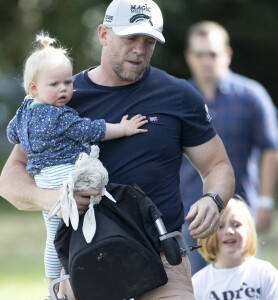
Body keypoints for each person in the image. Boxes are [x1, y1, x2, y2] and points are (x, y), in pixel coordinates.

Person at [0, 1, 235, 299]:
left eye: (149, 42)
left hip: (163, 259)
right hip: (85, 260)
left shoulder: (178, 95)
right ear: (103, 34)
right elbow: (9, 179)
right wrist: (55, 199)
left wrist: (213, 200)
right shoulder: (61, 96)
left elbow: (218, 166)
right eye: (130, 38)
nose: (139, 50)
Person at [6, 32, 148, 298]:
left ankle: (54, 281)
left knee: (55, 232)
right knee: (83, 219)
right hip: (63, 176)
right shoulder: (57, 117)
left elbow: (12, 134)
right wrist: (124, 128)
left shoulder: (25, 111)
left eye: (67, 82)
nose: (63, 89)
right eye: (55, 84)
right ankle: (63, 280)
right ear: (34, 88)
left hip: (43, 178)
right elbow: (92, 129)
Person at [180, 21, 278, 274]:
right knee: (193, 290)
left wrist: (266, 202)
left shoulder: (252, 95)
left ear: (226, 54)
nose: (206, 60)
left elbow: (272, 149)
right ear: (188, 56)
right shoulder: (178, 98)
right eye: (199, 54)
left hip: (239, 214)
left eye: (213, 54)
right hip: (188, 215)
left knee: (240, 287)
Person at [192, 197, 278, 299]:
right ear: (208, 233)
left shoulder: (264, 273)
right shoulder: (199, 281)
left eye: (236, 225)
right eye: (220, 226)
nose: (229, 231)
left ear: (249, 230)